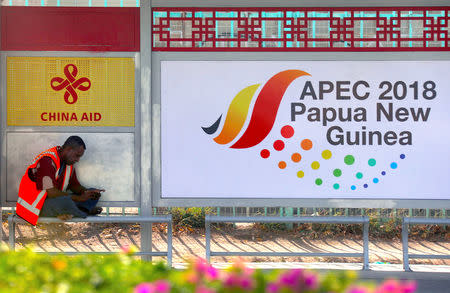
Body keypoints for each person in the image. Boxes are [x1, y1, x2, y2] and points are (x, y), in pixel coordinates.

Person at [16, 136, 105, 225]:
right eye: (77, 156)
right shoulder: (47, 161)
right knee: (65, 202)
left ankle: (75, 211)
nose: (78, 160)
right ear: (68, 149)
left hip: (54, 202)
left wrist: (87, 192)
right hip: (35, 208)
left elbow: (74, 186)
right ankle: (79, 211)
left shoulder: (68, 163)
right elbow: (51, 193)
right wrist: (79, 198)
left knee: (90, 194)